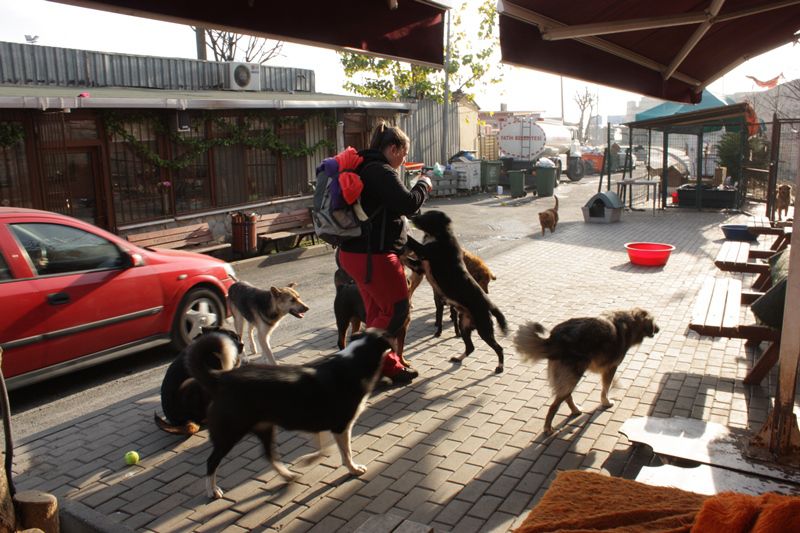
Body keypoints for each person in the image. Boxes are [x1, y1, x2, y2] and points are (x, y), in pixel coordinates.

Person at [337, 121, 432, 384]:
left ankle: (385, 366)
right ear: (393, 148)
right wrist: (424, 183)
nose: (404, 160)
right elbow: (409, 205)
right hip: (374, 257)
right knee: (398, 310)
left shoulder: (364, 167)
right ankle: (361, 361)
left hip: (354, 254)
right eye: (403, 154)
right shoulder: (382, 171)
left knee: (378, 312)